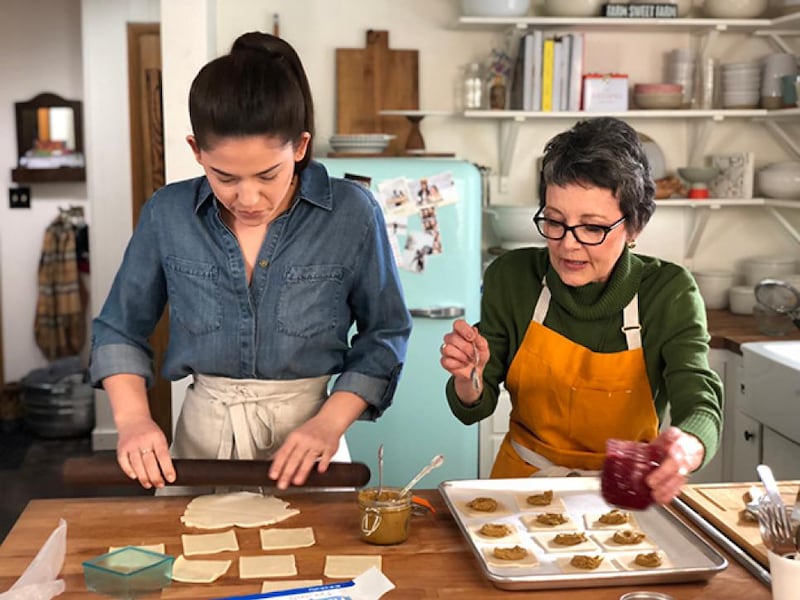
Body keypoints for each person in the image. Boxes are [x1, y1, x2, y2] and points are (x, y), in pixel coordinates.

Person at [90, 31, 412, 492]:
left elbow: (386, 333)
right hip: (201, 451)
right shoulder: (168, 213)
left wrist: (329, 423)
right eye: (224, 176)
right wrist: (134, 420)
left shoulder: (352, 213)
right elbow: (119, 327)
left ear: (299, 148)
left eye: (268, 175)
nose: (248, 197)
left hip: (312, 447)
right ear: (196, 150)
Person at [439, 117, 722, 505]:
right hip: (519, 491)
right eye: (555, 221)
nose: (568, 245)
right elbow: (473, 407)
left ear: (634, 226)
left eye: (592, 228)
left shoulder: (668, 293)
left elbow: (700, 399)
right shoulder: (513, 278)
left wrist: (688, 445)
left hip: (626, 494)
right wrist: (467, 380)